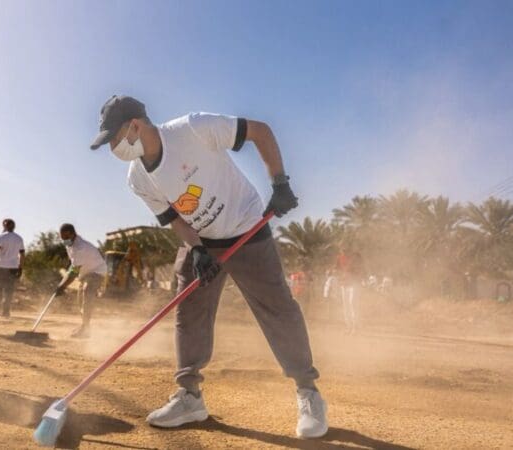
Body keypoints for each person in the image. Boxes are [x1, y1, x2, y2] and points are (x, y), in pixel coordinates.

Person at [88, 95, 327, 438]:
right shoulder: (138, 178)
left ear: (135, 126)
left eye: (114, 138)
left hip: (246, 227)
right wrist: (198, 249)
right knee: (189, 313)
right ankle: (190, 397)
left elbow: (260, 131)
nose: (113, 148)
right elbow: (173, 219)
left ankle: (308, 392)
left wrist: (279, 182)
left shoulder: (193, 129)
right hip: (201, 240)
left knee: (277, 309)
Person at [55, 223, 107, 338]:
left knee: (87, 292)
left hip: (97, 271)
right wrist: (61, 284)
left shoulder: (81, 248)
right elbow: (72, 265)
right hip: (85, 273)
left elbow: (74, 272)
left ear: (73, 234)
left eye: (66, 237)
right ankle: (84, 326)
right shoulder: (69, 245)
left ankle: (86, 329)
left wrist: (62, 286)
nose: (64, 240)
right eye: (62, 238)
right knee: (80, 300)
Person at [0, 219, 25, 317]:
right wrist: (20, 267)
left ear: (4, 226)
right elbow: (22, 254)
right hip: (13, 266)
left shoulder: (1, 236)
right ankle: (5, 312)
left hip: (0, 265)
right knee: (9, 290)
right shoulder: (19, 238)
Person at [336, 246, 364, 335]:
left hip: (354, 283)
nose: (343, 251)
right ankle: (349, 327)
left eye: (345, 249)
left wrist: (355, 275)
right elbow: (337, 269)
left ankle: (356, 327)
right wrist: (339, 275)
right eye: (342, 250)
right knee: (346, 306)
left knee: (353, 303)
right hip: (344, 283)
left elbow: (360, 268)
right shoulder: (340, 258)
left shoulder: (356, 256)